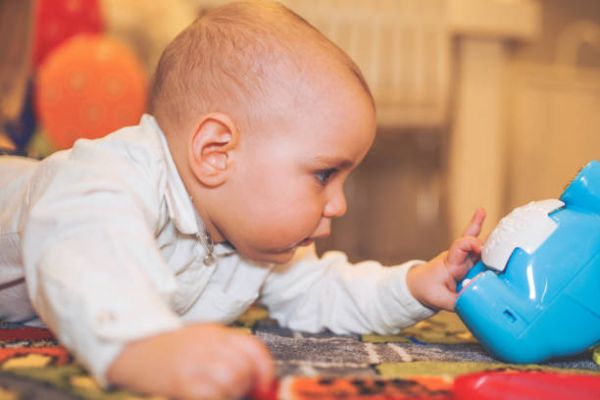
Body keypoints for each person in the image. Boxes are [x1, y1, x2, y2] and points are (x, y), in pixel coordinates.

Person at [0, 2, 485, 399]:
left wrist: (413, 285)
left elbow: (321, 291)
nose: (338, 205)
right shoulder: (108, 177)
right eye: (323, 174)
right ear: (216, 153)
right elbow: (85, 248)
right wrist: (142, 345)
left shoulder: (251, 235)